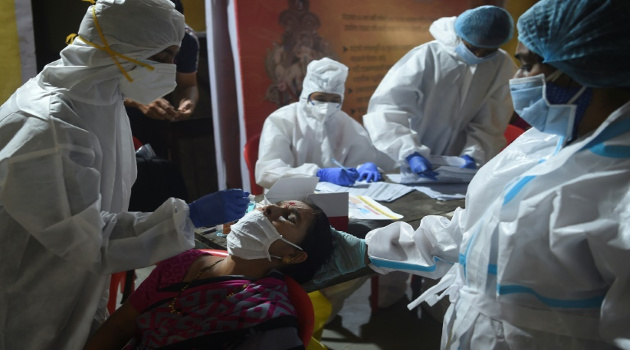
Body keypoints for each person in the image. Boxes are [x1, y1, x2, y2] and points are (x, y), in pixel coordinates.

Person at [363, 0, 630, 348]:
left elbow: (488, 122)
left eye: (529, 64)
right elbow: (474, 229)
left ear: (584, 67)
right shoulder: (540, 143)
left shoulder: (618, 190)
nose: (517, 79)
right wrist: (369, 249)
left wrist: (473, 155)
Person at [0, 1, 249, 348]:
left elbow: (101, 213)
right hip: (32, 296)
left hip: (77, 281)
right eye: (163, 58)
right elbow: (88, 240)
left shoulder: (103, 100)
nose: (170, 70)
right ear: (122, 48)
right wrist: (187, 218)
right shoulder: (50, 125)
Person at [84, 200, 334, 349]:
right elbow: (119, 327)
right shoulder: (184, 262)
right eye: (274, 204)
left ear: (293, 255)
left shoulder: (268, 320)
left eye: (289, 217)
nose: (269, 209)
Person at [363, 5, 516, 180]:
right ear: (460, 36)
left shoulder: (501, 65)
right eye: (473, 48)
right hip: (403, 160)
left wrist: (474, 154)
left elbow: (491, 121)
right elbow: (387, 108)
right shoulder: (427, 56)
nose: (479, 55)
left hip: (455, 169)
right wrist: (409, 152)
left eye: (488, 51)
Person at [256, 57, 393, 189]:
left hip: (340, 199)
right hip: (288, 200)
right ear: (306, 94)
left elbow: (361, 162)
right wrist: (318, 175)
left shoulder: (348, 125)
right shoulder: (281, 120)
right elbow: (267, 172)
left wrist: (365, 167)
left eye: (334, 99)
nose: (327, 105)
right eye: (320, 97)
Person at [124, 0, 200, 159]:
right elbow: (98, 84)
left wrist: (187, 102)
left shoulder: (186, 40)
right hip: (109, 113)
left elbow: (187, 85)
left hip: (154, 119)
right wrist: (139, 100)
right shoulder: (117, 36)